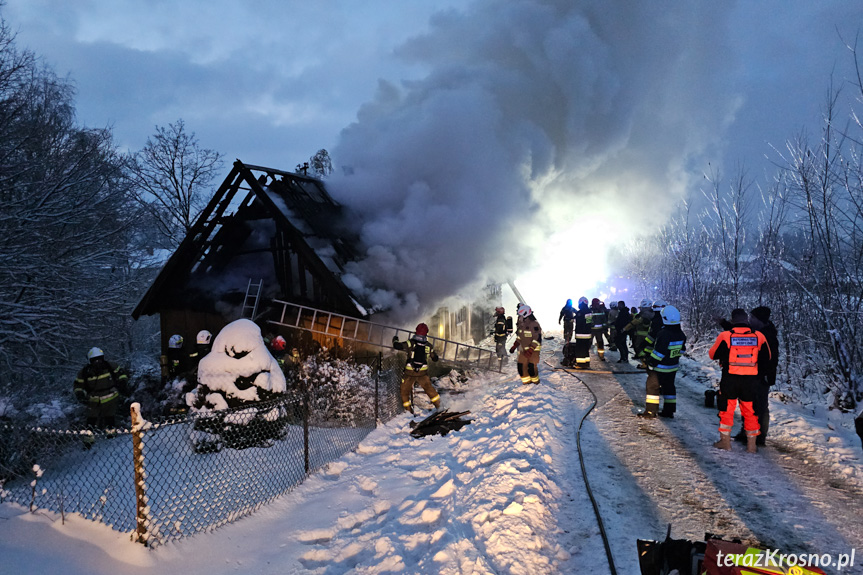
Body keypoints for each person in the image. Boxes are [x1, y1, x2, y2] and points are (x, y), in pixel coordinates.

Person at [708, 308, 771, 453]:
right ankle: (751, 446)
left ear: (732, 320)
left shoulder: (725, 336)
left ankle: (725, 442)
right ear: (746, 320)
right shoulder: (759, 336)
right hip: (750, 381)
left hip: (730, 379)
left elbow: (712, 354)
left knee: (727, 410)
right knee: (750, 412)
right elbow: (766, 358)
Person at [729, 306, 778, 446]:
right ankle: (746, 432)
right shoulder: (756, 332)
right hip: (751, 374)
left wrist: (767, 375)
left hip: (761, 376)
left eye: (753, 318)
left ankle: (759, 437)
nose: (750, 320)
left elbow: (772, 359)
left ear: (760, 320)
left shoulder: (768, 336)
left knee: (760, 406)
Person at [639, 306, 686, 418]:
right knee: (669, 388)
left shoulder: (663, 333)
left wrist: (651, 363)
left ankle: (651, 411)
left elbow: (659, 352)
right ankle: (669, 411)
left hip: (659, 368)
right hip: (673, 367)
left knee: (652, 387)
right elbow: (682, 350)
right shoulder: (681, 334)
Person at [73, 347, 129, 431]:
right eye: (95, 360)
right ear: (90, 361)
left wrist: (122, 383)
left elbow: (122, 374)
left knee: (110, 420)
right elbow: (78, 386)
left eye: (99, 359)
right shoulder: (84, 372)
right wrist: (80, 395)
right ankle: (88, 440)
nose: (97, 362)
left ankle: (111, 438)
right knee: (91, 422)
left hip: (111, 399)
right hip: (93, 401)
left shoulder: (111, 366)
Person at [393, 323, 441, 414]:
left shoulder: (410, 343)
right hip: (422, 373)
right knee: (429, 389)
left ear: (416, 331)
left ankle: (408, 411)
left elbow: (397, 346)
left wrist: (395, 339)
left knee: (404, 392)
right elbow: (435, 359)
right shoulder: (428, 346)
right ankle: (440, 406)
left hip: (409, 373)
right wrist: (434, 355)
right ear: (426, 333)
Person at [510, 304, 543, 384]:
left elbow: (537, 338)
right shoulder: (522, 324)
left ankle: (536, 384)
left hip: (533, 350)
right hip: (524, 349)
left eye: (520, 315)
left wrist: (531, 350)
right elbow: (520, 337)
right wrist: (515, 345)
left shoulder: (534, 324)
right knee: (521, 367)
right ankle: (527, 384)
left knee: (531, 368)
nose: (519, 317)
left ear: (525, 314)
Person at [572, 297, 593, 369]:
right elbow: (589, 323)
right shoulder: (588, 311)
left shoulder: (580, 313)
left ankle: (580, 364)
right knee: (585, 349)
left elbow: (577, 322)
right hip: (587, 334)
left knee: (580, 349)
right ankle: (586, 363)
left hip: (581, 334)